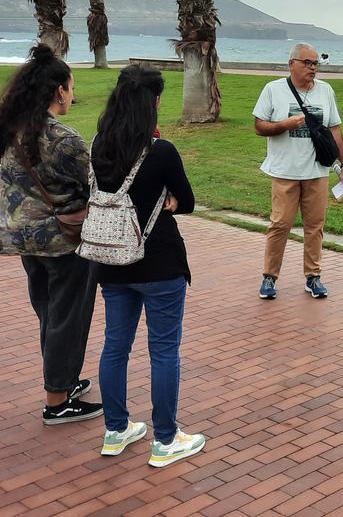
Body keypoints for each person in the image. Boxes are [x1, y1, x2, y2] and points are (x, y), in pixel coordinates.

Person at [90, 65, 205, 467]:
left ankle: (115, 430)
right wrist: (170, 201)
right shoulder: (162, 151)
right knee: (164, 351)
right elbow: (187, 200)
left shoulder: (99, 145)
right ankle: (165, 439)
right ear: (154, 102)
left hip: (112, 261)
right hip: (159, 263)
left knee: (115, 347)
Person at [0, 45, 102, 424]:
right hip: (64, 240)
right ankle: (57, 401)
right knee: (69, 316)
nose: (72, 94)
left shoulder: (12, 130)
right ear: (57, 91)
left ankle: (63, 381)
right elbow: (93, 184)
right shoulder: (63, 138)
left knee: (49, 312)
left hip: (23, 238)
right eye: (70, 87)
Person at [253, 43, 343, 300]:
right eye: (307, 63)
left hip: (316, 171)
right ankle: (269, 277)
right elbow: (259, 126)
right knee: (280, 224)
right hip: (285, 171)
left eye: (315, 63)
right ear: (292, 64)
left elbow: (335, 129)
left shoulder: (325, 91)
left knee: (315, 225)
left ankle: (313, 276)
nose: (312, 68)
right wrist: (285, 124)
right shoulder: (273, 90)